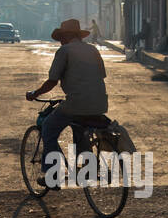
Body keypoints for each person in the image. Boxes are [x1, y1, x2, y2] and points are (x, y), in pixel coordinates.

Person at [26, 18, 108, 188]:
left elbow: (52, 81)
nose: (60, 41)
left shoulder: (65, 51)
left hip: (76, 103)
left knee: (48, 127)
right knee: (80, 127)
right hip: (100, 104)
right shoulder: (92, 50)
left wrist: (35, 93)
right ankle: (88, 168)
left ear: (68, 35)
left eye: (62, 37)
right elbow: (101, 75)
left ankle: (53, 176)